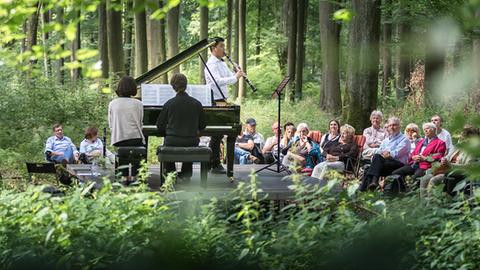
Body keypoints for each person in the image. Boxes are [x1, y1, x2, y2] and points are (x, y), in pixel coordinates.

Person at [204, 37, 245, 174]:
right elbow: (217, 81)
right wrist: (235, 77)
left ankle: (213, 163)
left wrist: (235, 72)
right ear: (213, 48)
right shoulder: (211, 64)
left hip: (222, 100)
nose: (224, 49)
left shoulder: (221, 62)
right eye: (221, 46)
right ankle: (213, 163)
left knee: (218, 134)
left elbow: (229, 77)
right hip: (214, 100)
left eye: (224, 46)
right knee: (216, 133)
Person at [156, 73, 206, 180]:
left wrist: (168, 132)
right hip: (191, 141)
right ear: (186, 85)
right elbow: (203, 125)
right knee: (190, 143)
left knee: (167, 143)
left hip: (172, 140)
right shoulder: (197, 103)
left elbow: (160, 126)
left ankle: (171, 174)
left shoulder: (169, 103)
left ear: (173, 87)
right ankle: (186, 175)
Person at [419, 125, 480, 197]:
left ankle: (432, 204)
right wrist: (444, 159)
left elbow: (469, 167)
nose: (460, 137)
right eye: (461, 134)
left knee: (434, 180)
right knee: (424, 178)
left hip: (457, 172)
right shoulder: (458, 146)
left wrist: (450, 164)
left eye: (463, 135)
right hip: (446, 169)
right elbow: (447, 157)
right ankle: (423, 203)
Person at [390, 122, 447, 189]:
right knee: (395, 173)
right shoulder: (421, 141)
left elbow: (439, 156)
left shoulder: (440, 143)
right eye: (424, 129)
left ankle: (415, 197)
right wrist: (413, 157)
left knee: (415, 179)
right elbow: (414, 152)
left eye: (427, 128)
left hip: (426, 166)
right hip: (414, 164)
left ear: (434, 130)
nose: (425, 130)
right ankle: (402, 191)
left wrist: (425, 158)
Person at [108, 76, 145, 178]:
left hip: (119, 139)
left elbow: (111, 124)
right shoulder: (139, 104)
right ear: (133, 88)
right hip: (135, 138)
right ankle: (137, 177)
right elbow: (140, 123)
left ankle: (123, 177)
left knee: (122, 154)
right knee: (140, 152)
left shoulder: (112, 104)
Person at [359, 117, 411, 191]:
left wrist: (387, 153)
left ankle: (371, 184)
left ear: (399, 126)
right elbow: (380, 151)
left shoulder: (404, 139)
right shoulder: (385, 141)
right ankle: (365, 190)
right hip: (385, 164)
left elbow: (396, 153)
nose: (392, 127)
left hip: (398, 164)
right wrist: (385, 154)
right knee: (369, 167)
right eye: (390, 125)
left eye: (394, 125)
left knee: (376, 160)